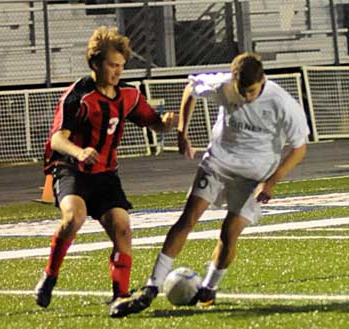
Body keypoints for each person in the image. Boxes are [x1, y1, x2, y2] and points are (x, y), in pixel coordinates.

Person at [109, 52, 309, 317]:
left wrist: (271, 182)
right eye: (241, 91)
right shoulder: (223, 84)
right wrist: (182, 132)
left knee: (230, 232)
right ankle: (151, 286)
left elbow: (299, 148)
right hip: (217, 162)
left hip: (255, 176)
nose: (246, 98)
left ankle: (208, 288)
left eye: (251, 92)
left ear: (262, 80)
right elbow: (191, 88)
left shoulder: (282, 103)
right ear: (233, 80)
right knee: (187, 218)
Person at [35, 26, 177, 309]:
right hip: (71, 169)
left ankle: (120, 297)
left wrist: (166, 124)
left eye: (121, 66)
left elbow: (153, 122)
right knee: (74, 217)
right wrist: (80, 151)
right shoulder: (78, 96)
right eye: (112, 65)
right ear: (95, 63)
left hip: (106, 174)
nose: (117, 71)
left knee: (122, 227)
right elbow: (57, 139)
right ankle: (50, 275)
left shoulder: (129, 95)